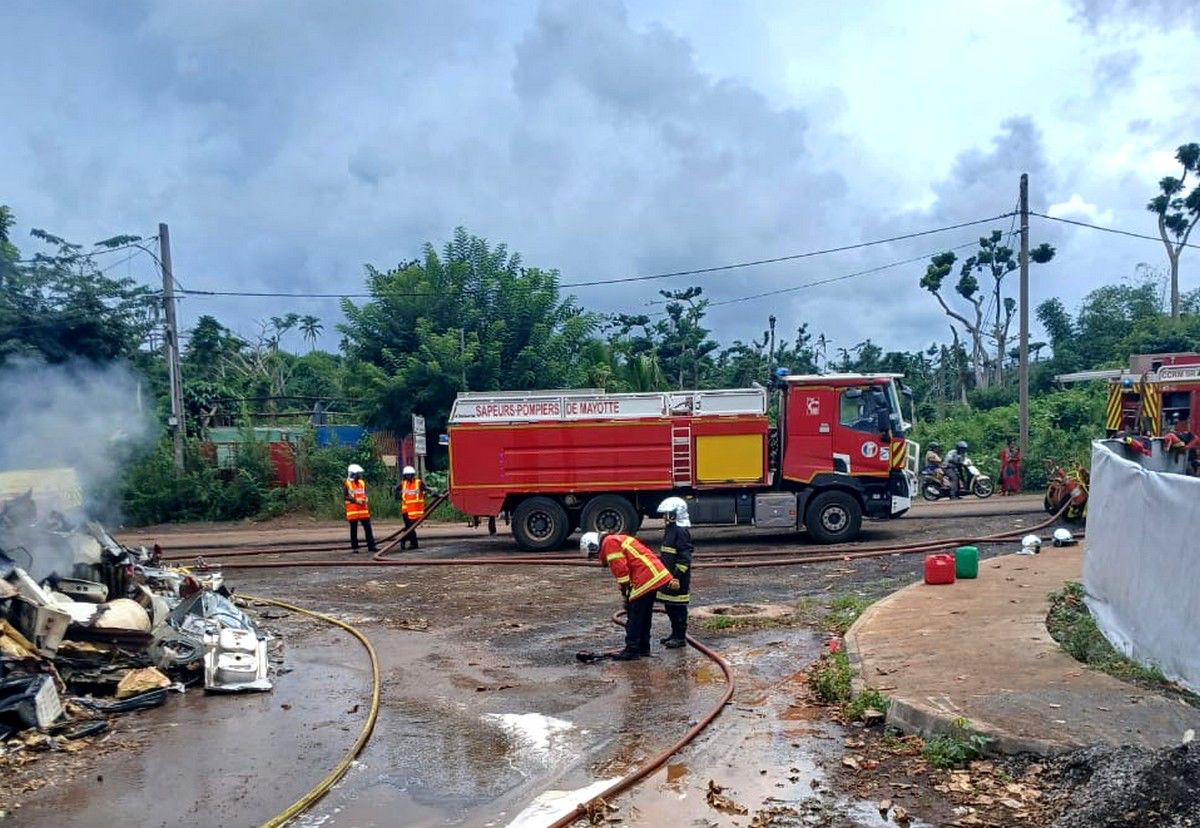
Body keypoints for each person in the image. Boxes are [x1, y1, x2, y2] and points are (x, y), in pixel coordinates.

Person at [580, 530, 673, 661]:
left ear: (593, 545)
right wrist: (625, 587)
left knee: (635, 615)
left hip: (645, 577)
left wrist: (625, 589)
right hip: (653, 575)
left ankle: (632, 650)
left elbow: (620, 568)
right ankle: (643, 648)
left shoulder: (609, 542)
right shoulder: (615, 539)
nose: (597, 558)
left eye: (594, 554)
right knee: (644, 615)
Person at [655, 497, 692, 649]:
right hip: (669, 577)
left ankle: (680, 637)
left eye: (667, 514)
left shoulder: (681, 531)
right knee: (670, 606)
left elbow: (684, 557)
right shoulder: (670, 529)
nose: (664, 517)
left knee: (678, 608)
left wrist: (677, 577)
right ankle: (674, 634)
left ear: (675, 514)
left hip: (678, 578)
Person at [343, 464, 378, 553]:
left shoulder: (362, 483)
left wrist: (366, 498)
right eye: (357, 474)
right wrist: (355, 500)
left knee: (368, 529)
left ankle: (371, 546)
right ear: (352, 474)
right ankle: (355, 547)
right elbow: (345, 497)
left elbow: (364, 493)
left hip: (363, 510)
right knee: (354, 530)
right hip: (353, 510)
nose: (359, 476)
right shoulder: (347, 483)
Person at [394, 465, 427, 550]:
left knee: (411, 528)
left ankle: (404, 539)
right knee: (410, 528)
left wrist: (436, 494)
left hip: (416, 511)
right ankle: (413, 544)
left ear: (413, 475)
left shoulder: (418, 483)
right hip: (406, 511)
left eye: (410, 475)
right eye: (407, 475)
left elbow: (426, 489)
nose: (408, 476)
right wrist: (399, 496)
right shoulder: (403, 484)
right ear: (405, 476)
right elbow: (396, 490)